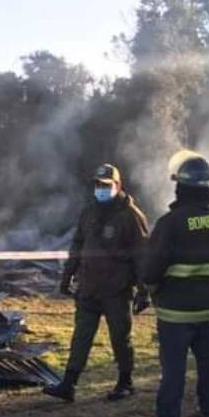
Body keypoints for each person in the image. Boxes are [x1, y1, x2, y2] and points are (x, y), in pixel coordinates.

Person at [140, 151, 209, 417]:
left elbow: (152, 267)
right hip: (208, 306)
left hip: (175, 310)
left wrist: (150, 287)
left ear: (181, 187)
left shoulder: (171, 222)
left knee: (173, 367)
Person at [43, 164, 150, 403]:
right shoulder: (89, 211)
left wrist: (144, 291)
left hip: (117, 289)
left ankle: (125, 382)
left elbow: (142, 256)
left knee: (120, 337)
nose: (101, 189)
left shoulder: (131, 216)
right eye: (97, 185)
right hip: (89, 287)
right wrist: (67, 275)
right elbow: (78, 245)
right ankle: (69, 384)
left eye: (105, 185)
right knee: (81, 336)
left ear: (118, 186)